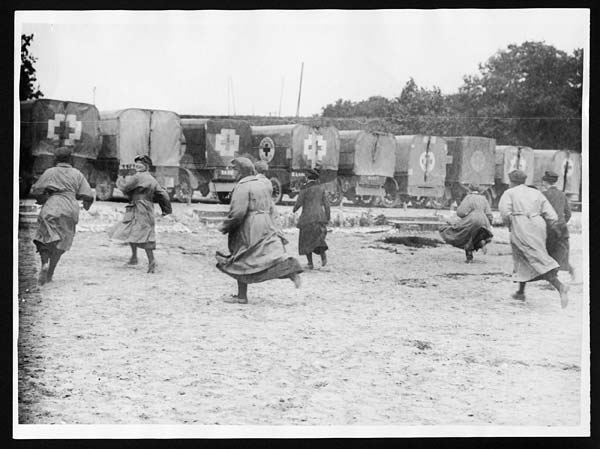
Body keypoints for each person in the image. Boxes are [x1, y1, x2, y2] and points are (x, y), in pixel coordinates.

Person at [215, 157, 303, 304]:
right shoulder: (263, 184)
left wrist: (226, 226)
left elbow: (238, 212)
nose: (233, 172)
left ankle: (242, 296)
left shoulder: (242, 187)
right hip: (265, 222)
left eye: (235, 169)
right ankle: (290, 271)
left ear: (242, 171)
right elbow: (271, 206)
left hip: (249, 225)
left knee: (241, 257)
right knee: (266, 255)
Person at [498, 169, 569, 308]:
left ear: (511, 181)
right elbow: (551, 215)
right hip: (538, 224)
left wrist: (510, 225)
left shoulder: (510, 193)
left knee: (533, 257)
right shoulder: (536, 192)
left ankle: (560, 286)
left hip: (521, 224)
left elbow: (505, 213)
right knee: (524, 257)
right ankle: (520, 292)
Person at [30, 147, 94, 285]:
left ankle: (44, 263)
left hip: (52, 205)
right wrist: (86, 205)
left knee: (44, 237)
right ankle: (51, 272)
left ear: (55, 159)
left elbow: (36, 190)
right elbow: (88, 195)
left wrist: (42, 198)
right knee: (63, 240)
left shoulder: (50, 172)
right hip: (70, 207)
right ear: (71, 159)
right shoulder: (77, 174)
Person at [108, 155, 171, 273]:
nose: (137, 165)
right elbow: (163, 194)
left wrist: (120, 178)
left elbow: (125, 187)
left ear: (146, 166)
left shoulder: (137, 177)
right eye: (136, 163)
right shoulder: (152, 179)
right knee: (135, 231)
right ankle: (134, 257)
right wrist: (166, 209)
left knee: (142, 233)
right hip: (145, 207)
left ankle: (151, 261)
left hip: (138, 207)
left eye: (140, 164)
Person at [439, 185, 494, 263]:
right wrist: (489, 223)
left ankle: (469, 257)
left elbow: (460, 212)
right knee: (479, 234)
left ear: (470, 190)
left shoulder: (469, 197)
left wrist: (465, 216)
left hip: (472, 218)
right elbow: (489, 214)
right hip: (483, 219)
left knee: (466, 236)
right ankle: (481, 242)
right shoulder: (483, 198)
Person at [292, 168, 331, 269]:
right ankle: (323, 257)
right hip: (319, 217)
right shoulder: (322, 187)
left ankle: (310, 263)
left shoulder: (304, 188)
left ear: (307, 177)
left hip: (307, 218)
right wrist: (327, 216)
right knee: (318, 238)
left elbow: (299, 202)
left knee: (305, 240)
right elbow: (327, 204)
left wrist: (294, 209)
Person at [541, 170, 575, 281]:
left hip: (550, 227)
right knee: (561, 251)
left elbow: (540, 212)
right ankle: (571, 271)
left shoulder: (544, 195)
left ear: (545, 182)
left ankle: (552, 278)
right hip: (562, 226)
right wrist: (563, 222)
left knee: (550, 251)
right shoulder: (562, 195)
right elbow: (568, 213)